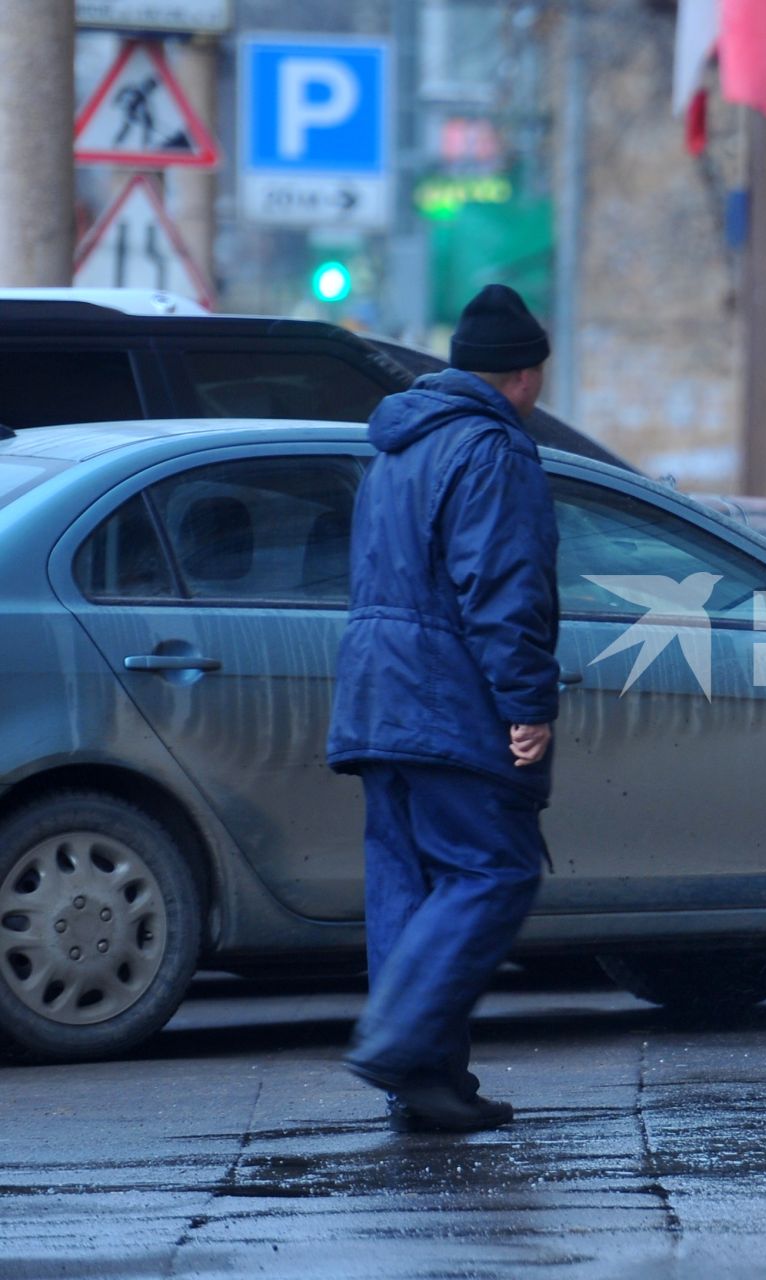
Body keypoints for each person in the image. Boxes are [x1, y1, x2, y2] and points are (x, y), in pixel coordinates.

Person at [327, 283, 561, 1131]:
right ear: (526, 376)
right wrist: (527, 704)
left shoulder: (399, 448)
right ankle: (400, 1044)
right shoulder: (492, 451)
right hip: (446, 697)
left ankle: (424, 1081)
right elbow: (501, 591)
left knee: (407, 881)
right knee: (490, 868)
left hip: (378, 695)